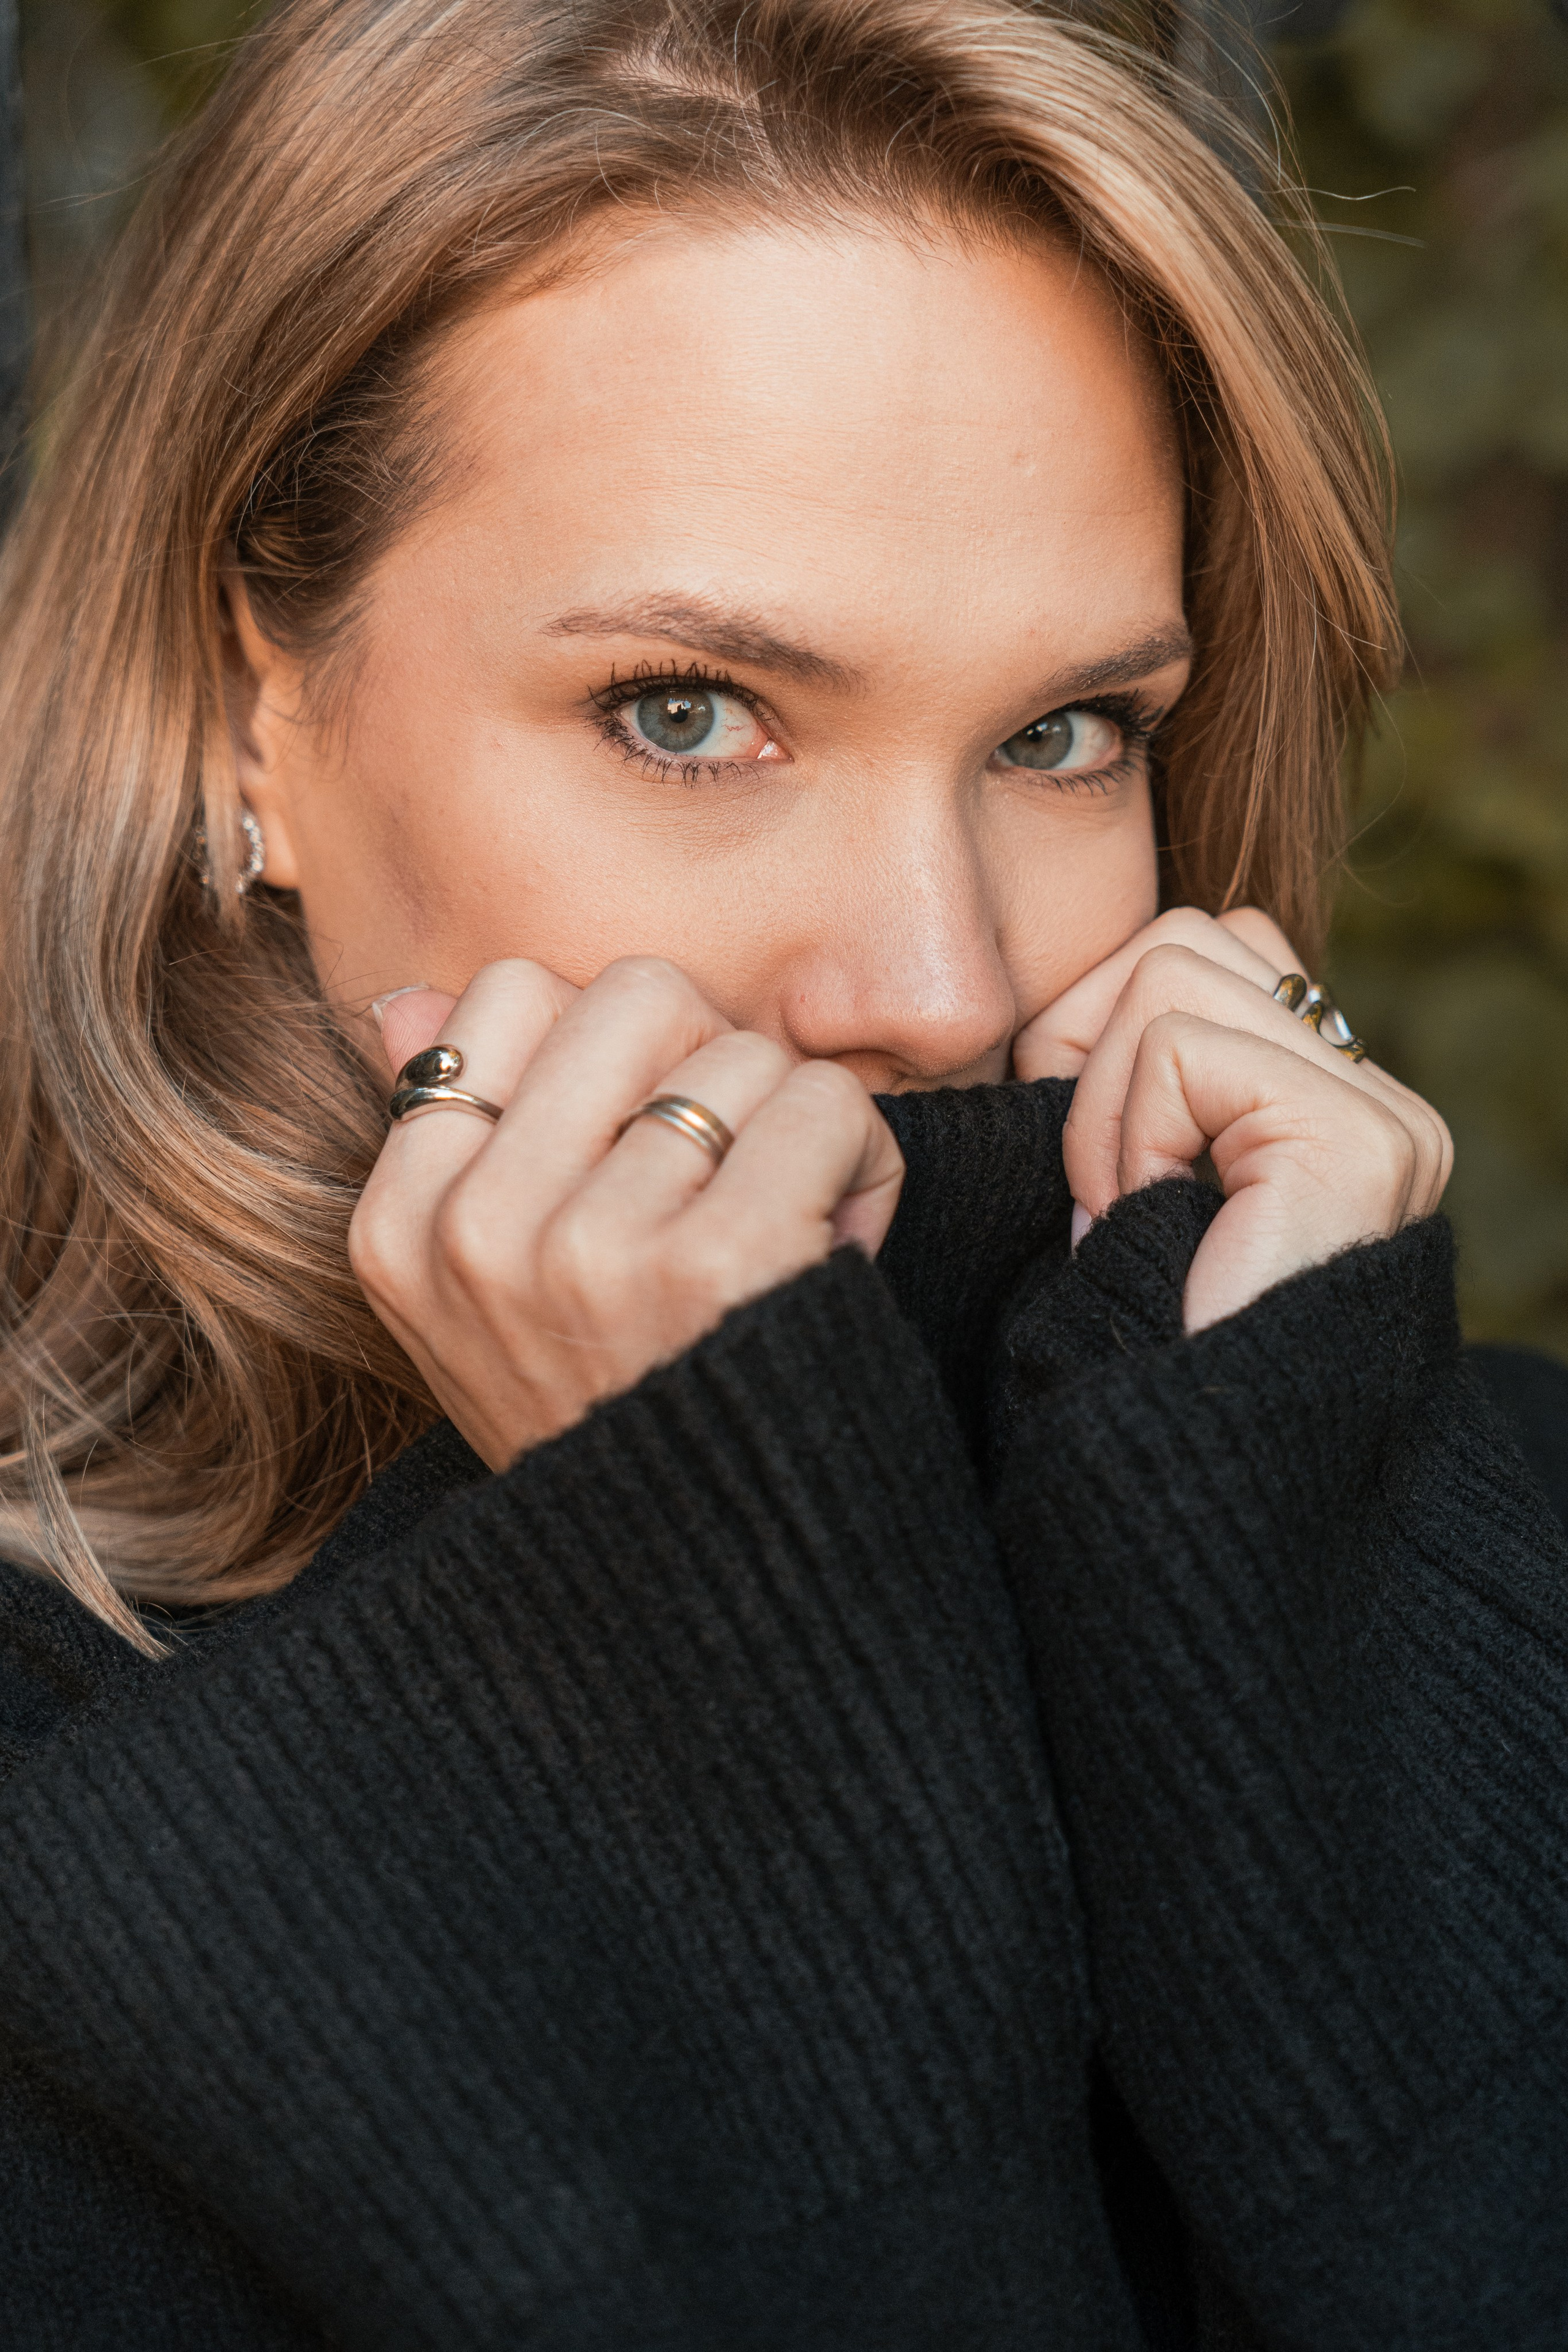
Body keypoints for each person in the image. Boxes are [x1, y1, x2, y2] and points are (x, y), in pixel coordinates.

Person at [1, 2, 1565, 2345]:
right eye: (688, 713)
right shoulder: (70, 1804)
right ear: (257, 717)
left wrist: (1329, 1592)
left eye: (1065, 734)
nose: (939, 988)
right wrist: (724, 1697)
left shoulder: (1448, 1521)